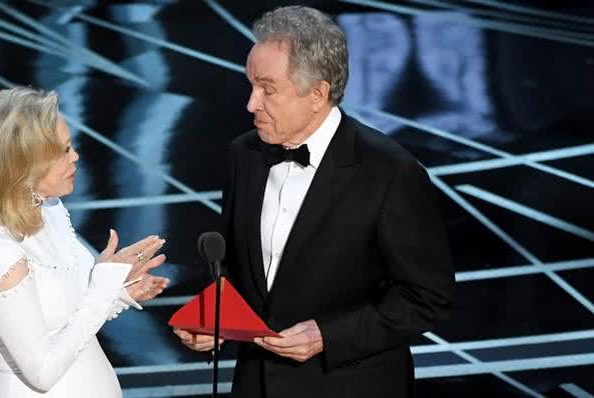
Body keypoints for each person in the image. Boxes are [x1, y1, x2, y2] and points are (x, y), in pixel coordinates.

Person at [174, 6, 454, 397]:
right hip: (255, 384)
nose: (251, 104)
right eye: (251, 85)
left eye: (267, 89)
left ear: (317, 94)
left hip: (347, 385)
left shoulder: (389, 171)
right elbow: (238, 269)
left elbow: (427, 298)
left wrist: (328, 335)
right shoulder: (245, 155)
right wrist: (213, 319)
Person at [0, 87, 169, 397]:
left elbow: (75, 317)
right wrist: (104, 288)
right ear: (21, 164)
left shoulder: (50, 211)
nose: (75, 157)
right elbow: (42, 373)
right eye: (62, 151)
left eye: (70, 145)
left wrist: (120, 290)